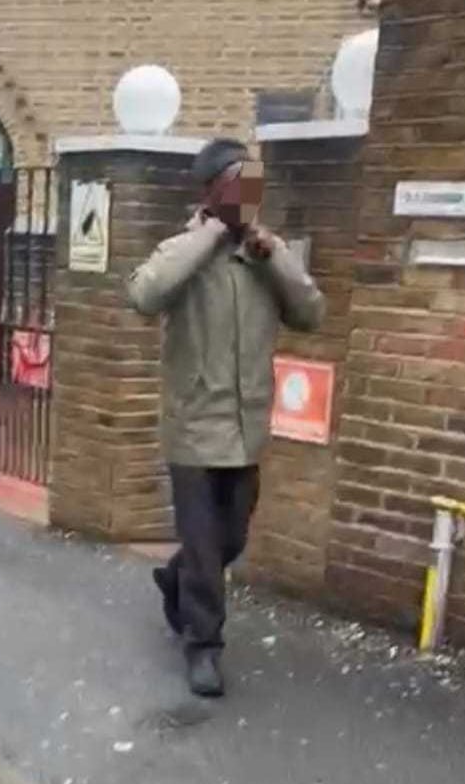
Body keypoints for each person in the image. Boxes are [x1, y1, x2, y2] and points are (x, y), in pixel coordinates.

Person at [126, 138, 325, 698]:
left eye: (255, 183)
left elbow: (311, 312)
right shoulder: (183, 250)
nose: (250, 194)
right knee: (208, 548)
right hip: (193, 429)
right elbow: (144, 294)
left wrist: (272, 253)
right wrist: (210, 233)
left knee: (230, 537)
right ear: (212, 190)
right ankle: (203, 647)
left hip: (247, 431)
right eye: (239, 182)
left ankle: (176, 578)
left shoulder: (266, 257)